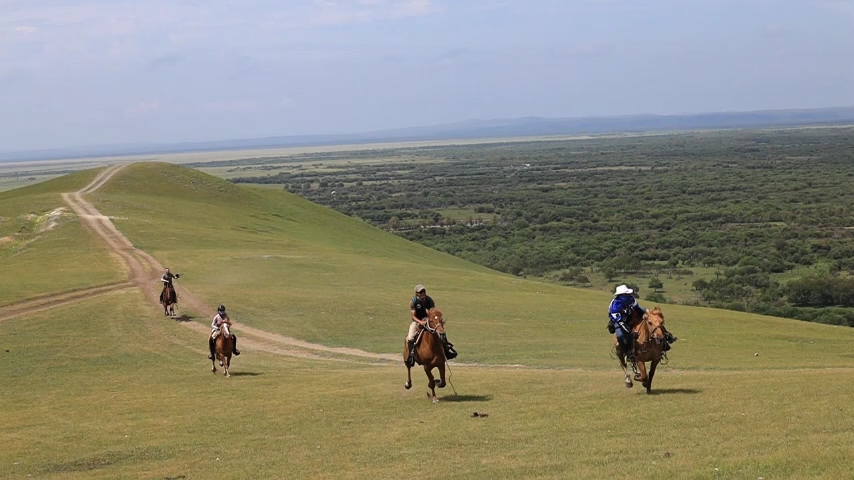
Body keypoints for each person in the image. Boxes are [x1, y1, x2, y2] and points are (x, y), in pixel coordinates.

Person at [608, 284, 676, 359]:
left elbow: (637, 308)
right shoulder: (615, 306)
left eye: (627, 293)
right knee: (620, 336)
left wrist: (646, 313)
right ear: (620, 295)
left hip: (631, 313)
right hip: (619, 321)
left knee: (653, 317)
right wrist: (631, 333)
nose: (627, 295)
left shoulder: (631, 299)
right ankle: (628, 352)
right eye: (625, 294)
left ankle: (667, 337)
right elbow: (620, 321)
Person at [405, 284, 456, 367]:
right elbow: (413, 316)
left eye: (423, 291)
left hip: (428, 320)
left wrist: (430, 318)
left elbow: (433, 312)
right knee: (410, 337)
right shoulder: (413, 301)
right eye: (420, 292)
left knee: (440, 331)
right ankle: (411, 356)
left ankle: (447, 352)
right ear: (417, 293)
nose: (423, 293)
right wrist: (421, 322)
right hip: (417, 321)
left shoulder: (429, 300)